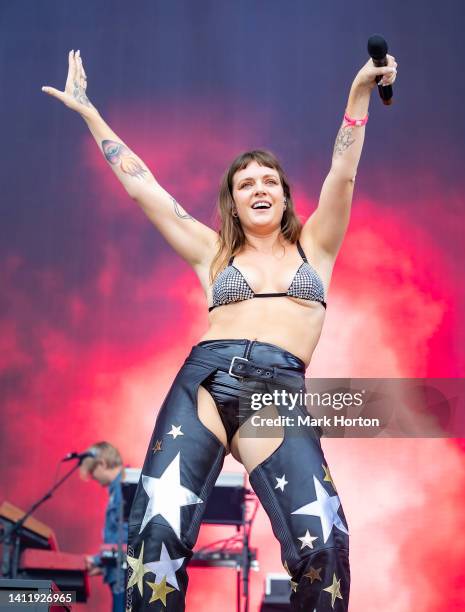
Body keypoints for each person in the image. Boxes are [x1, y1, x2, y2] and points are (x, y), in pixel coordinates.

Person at [43, 49, 397, 611]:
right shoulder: (213, 253)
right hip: (204, 383)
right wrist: (89, 112)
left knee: (325, 543)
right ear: (232, 201)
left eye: (269, 180)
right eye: (244, 183)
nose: (258, 188)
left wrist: (359, 94)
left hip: (277, 392)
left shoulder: (318, 248)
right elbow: (145, 188)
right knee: (155, 540)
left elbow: (344, 170)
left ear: (283, 193)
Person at [80, 442, 128, 612]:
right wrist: (103, 564)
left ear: (102, 464)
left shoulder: (124, 487)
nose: (94, 478)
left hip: (124, 577)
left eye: (93, 472)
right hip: (118, 572)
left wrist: (97, 559)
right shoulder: (117, 489)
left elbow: (126, 539)